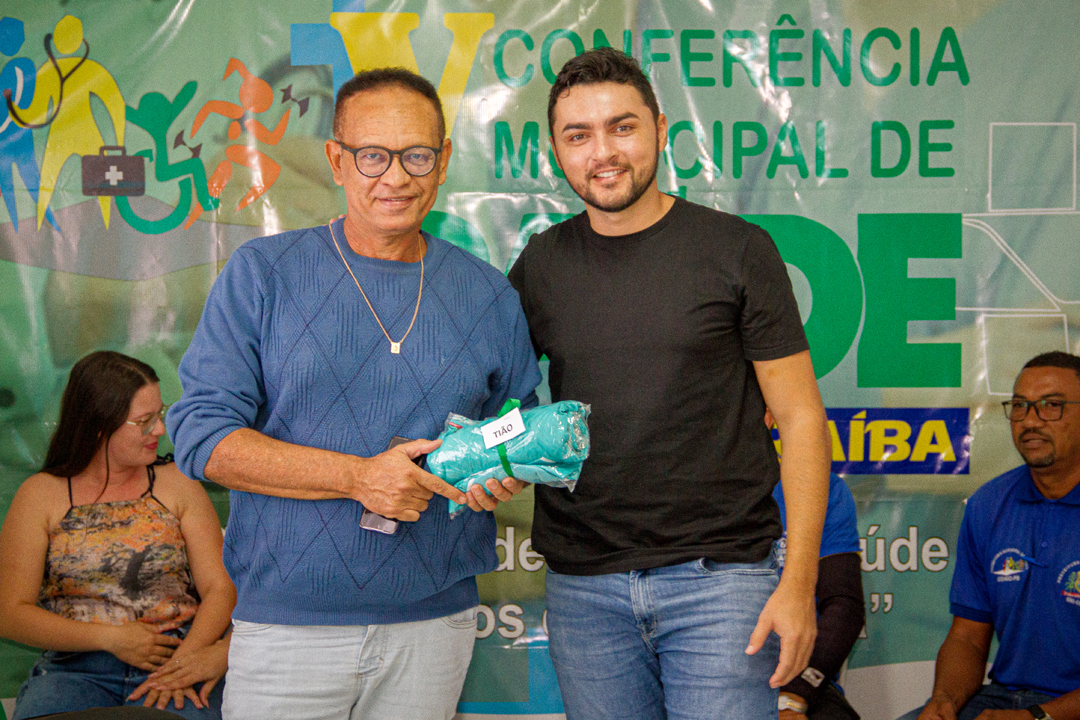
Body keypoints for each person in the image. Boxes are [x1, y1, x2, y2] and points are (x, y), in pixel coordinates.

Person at [167, 67, 540, 720]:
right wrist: (359, 478)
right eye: (372, 155)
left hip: (435, 624)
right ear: (337, 160)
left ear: (443, 160)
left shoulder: (488, 293)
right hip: (287, 628)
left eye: (416, 155)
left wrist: (501, 469)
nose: (395, 177)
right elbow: (202, 437)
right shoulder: (263, 275)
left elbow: (516, 425)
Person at [507, 47, 831, 720]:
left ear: (659, 128)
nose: (603, 152)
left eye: (622, 127)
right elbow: (494, 402)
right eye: (578, 135)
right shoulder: (540, 265)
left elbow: (801, 419)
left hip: (723, 583)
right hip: (584, 589)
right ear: (556, 151)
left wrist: (799, 585)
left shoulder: (739, 249)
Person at [0, 351, 234, 719]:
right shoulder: (40, 495)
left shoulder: (178, 484)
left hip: (174, 656)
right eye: (144, 421)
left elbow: (220, 588)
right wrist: (109, 638)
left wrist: (186, 661)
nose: (160, 430)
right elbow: (11, 613)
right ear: (99, 424)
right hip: (74, 669)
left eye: (160, 414)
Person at [900, 351, 1080, 720]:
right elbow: (967, 636)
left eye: (1051, 406)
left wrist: (1037, 717)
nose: (1030, 421)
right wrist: (944, 700)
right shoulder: (988, 504)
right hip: (1003, 699)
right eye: (1020, 406)